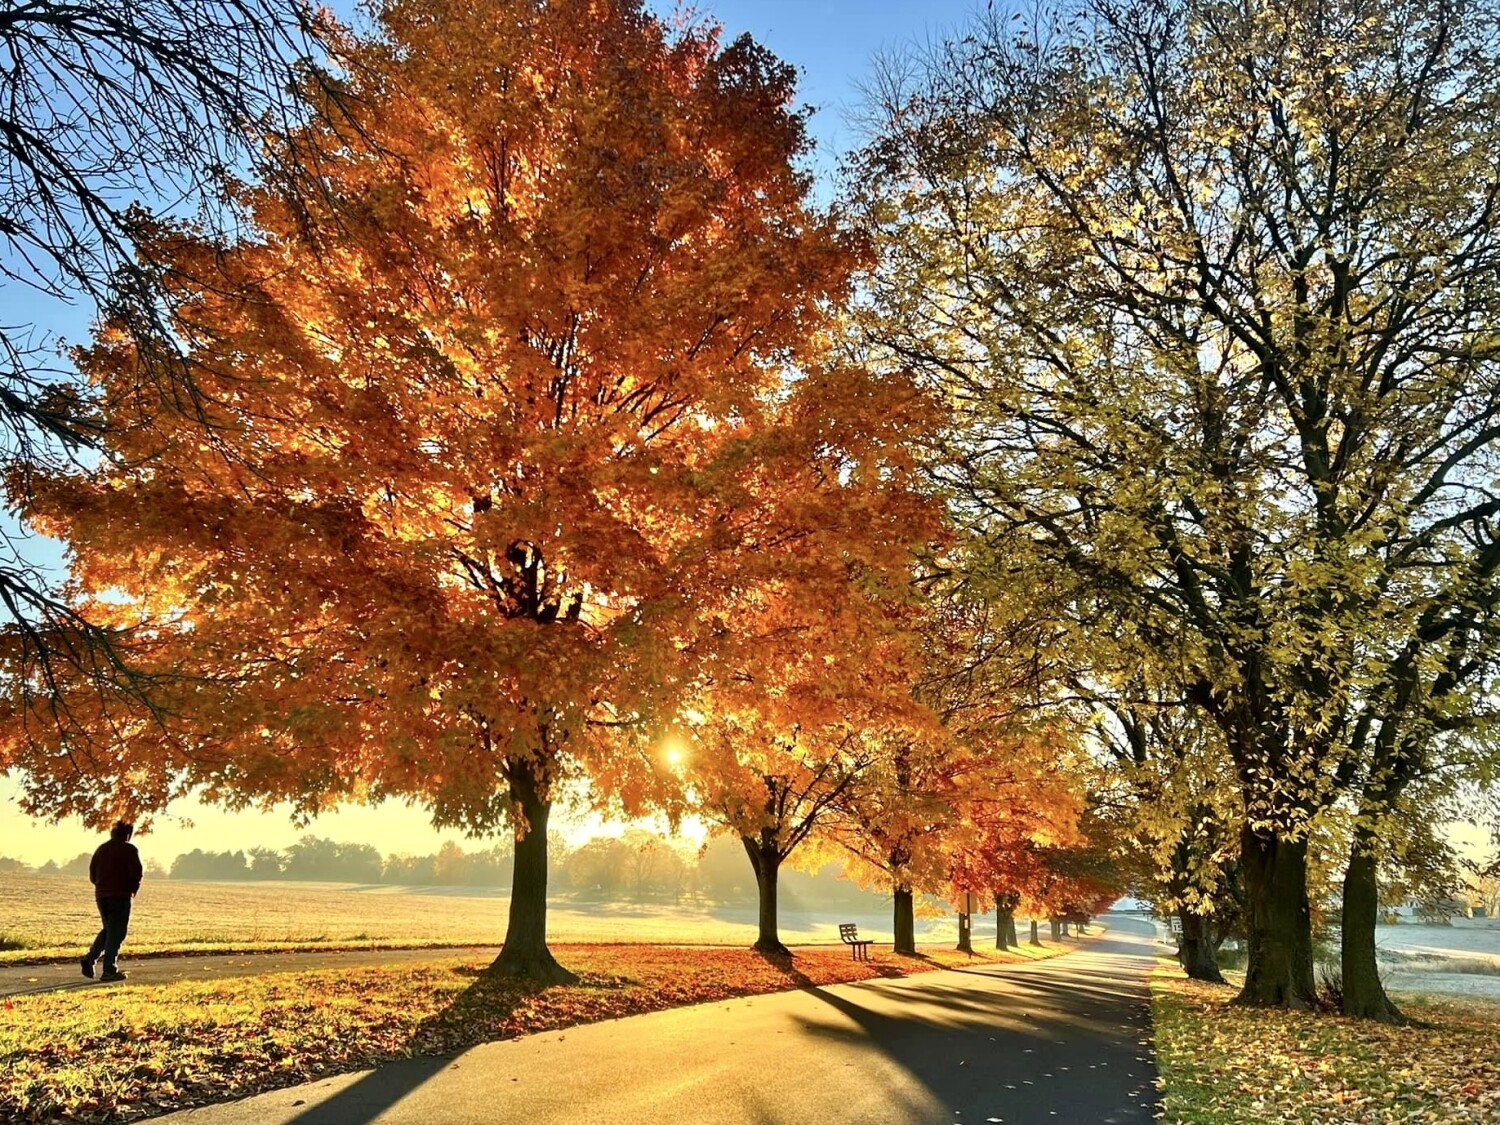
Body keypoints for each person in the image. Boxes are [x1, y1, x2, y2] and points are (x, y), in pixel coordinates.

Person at [82, 821, 143, 982]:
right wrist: (132, 888)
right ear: (127, 833)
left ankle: (90, 958)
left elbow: (92, 875)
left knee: (109, 930)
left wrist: (102, 886)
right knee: (116, 933)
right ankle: (109, 970)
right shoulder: (129, 849)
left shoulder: (101, 849)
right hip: (120, 895)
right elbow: (136, 872)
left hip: (102, 896)